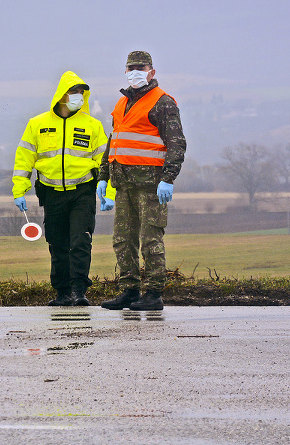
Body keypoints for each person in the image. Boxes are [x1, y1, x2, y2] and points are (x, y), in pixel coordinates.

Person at [98, 51, 186, 311]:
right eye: (130, 68)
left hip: (151, 186)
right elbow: (114, 142)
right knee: (122, 240)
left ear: (152, 71)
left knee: (150, 239)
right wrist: (103, 176)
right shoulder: (120, 103)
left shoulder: (163, 103)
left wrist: (168, 179)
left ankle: (154, 294)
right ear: (125, 71)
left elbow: (176, 144)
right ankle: (129, 289)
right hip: (123, 184)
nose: (135, 72)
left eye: (141, 67)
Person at [12, 71, 108, 306]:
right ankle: (62, 292)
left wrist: (108, 191)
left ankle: (79, 291)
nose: (78, 97)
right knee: (57, 243)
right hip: (51, 192)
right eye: (73, 92)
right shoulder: (38, 124)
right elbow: (25, 158)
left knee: (80, 240)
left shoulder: (92, 126)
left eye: (81, 93)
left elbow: (105, 162)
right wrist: (19, 189)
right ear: (61, 95)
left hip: (82, 192)